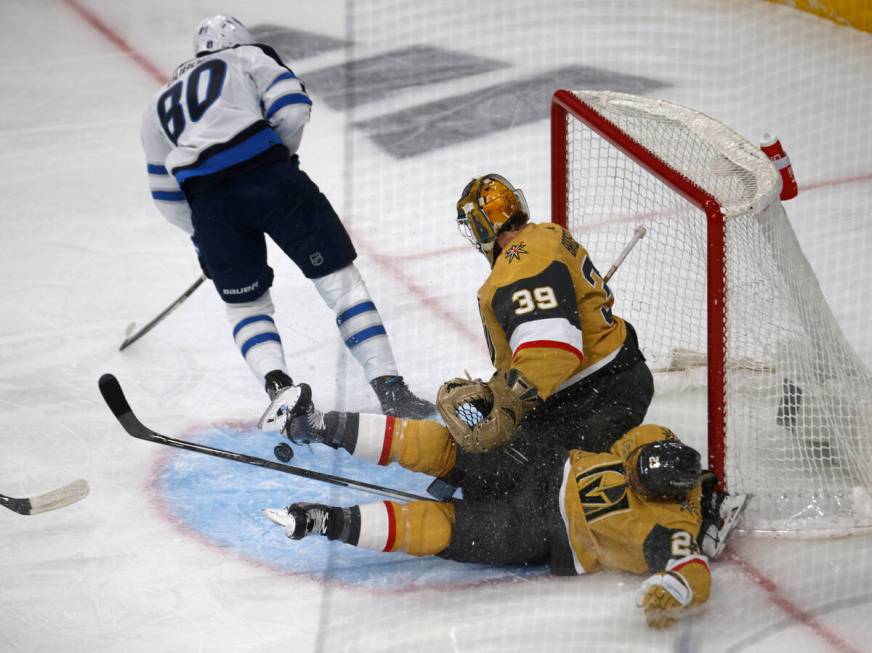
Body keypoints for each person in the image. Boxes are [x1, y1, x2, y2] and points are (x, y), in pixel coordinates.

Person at [260, 173, 654, 499]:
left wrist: (507, 403)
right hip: (600, 383)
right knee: (468, 451)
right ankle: (326, 425)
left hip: (597, 398)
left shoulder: (519, 265)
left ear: (483, 228)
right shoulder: (548, 234)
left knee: (500, 486)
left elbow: (553, 351)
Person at [139, 14, 434, 418]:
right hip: (272, 181)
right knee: (342, 287)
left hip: (211, 208)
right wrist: (279, 156)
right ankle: (390, 389)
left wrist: (202, 239)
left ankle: (281, 394)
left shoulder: (157, 105)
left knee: (247, 307)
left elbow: (165, 194)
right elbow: (292, 109)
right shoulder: (246, 57)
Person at [264, 424, 749, 630]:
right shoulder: (655, 439)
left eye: (639, 481)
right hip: (543, 467)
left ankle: (328, 522)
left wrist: (675, 588)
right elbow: (625, 448)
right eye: (634, 467)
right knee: (447, 444)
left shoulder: (670, 525)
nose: (631, 473)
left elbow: (694, 571)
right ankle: (322, 424)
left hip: (545, 532)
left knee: (447, 530)